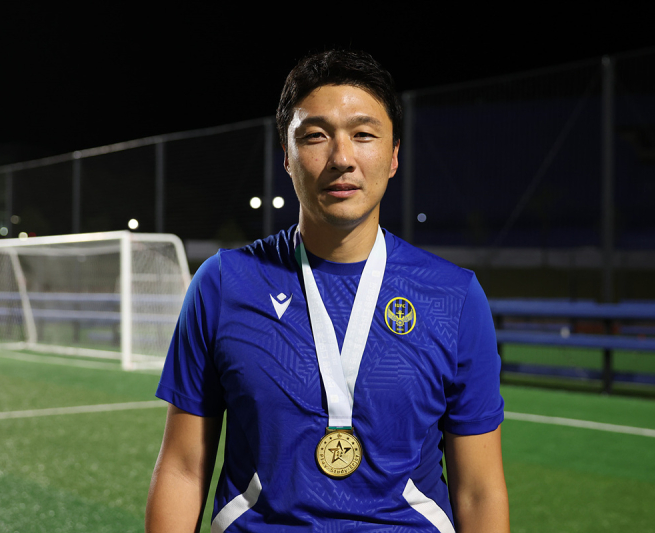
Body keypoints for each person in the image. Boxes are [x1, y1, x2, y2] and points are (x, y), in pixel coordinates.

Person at [146, 50, 509, 533]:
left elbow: (479, 491)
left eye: (364, 135)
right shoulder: (222, 284)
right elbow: (182, 468)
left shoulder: (455, 297)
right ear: (287, 155)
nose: (341, 158)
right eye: (315, 136)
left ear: (394, 155)